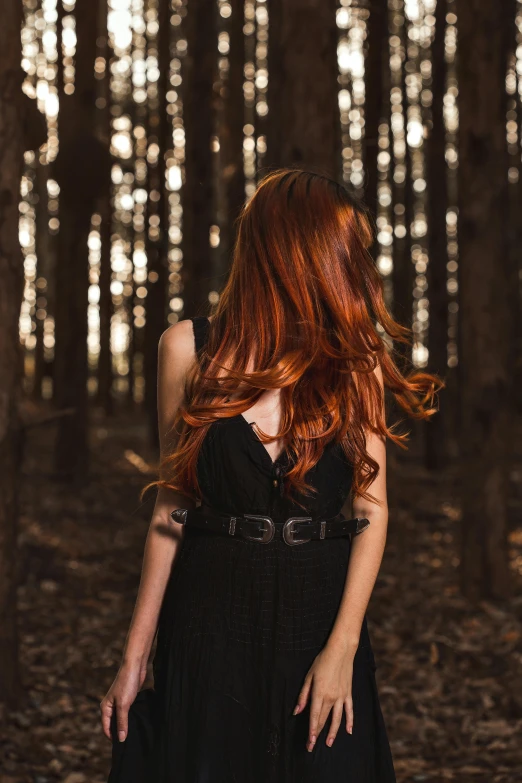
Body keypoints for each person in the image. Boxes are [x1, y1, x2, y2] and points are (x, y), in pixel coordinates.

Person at [101, 168, 442, 782]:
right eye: (346, 252)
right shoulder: (187, 349)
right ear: (298, 254)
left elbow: (371, 511)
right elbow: (170, 511)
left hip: (319, 617)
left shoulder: (355, 360)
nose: (357, 269)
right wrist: (134, 657)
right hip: (210, 620)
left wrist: (341, 651)